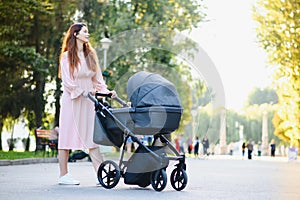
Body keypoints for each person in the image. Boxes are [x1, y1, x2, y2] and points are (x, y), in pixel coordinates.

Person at [58, 23, 117, 185]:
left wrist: (107, 92)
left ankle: (100, 174)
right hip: (72, 100)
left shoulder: (91, 55)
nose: (88, 34)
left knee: (92, 137)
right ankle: (63, 175)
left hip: (88, 101)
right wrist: (80, 91)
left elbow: (97, 80)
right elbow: (68, 82)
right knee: (66, 135)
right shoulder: (66, 56)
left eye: (88, 32)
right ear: (75, 34)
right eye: (85, 32)